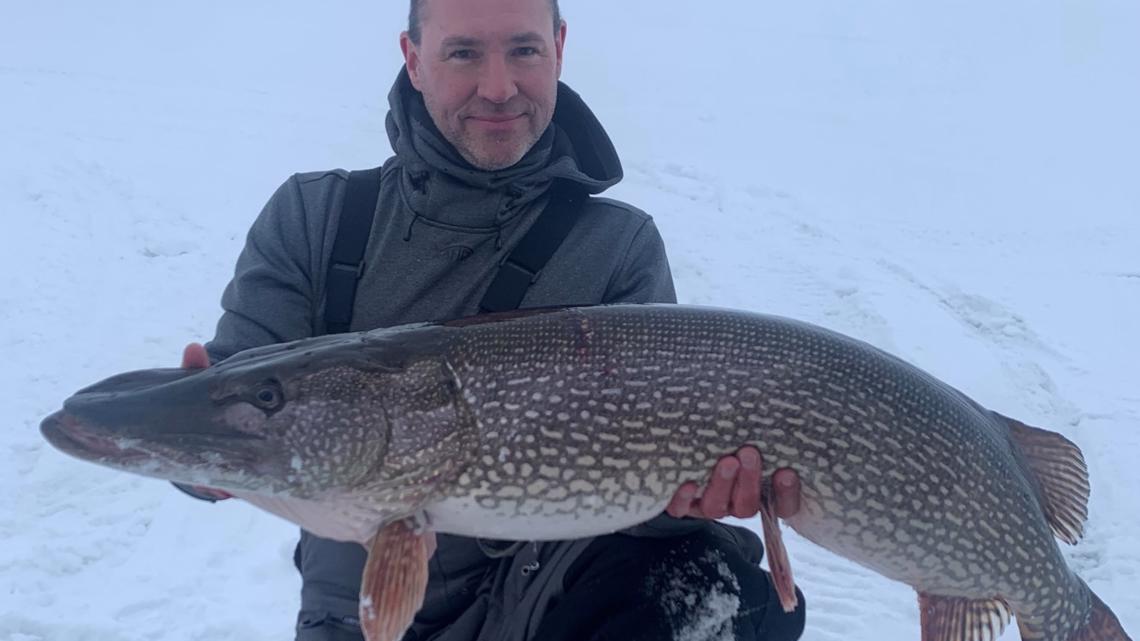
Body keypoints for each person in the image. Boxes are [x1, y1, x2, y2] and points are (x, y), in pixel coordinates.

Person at [178, 0, 807, 639]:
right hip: (358, 606)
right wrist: (195, 454)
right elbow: (242, 396)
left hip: (543, 592)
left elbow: (643, 496)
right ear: (413, 59)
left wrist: (690, 499)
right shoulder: (316, 217)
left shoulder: (618, 248)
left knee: (707, 583)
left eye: (524, 50)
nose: (499, 87)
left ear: (559, 49)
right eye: (464, 53)